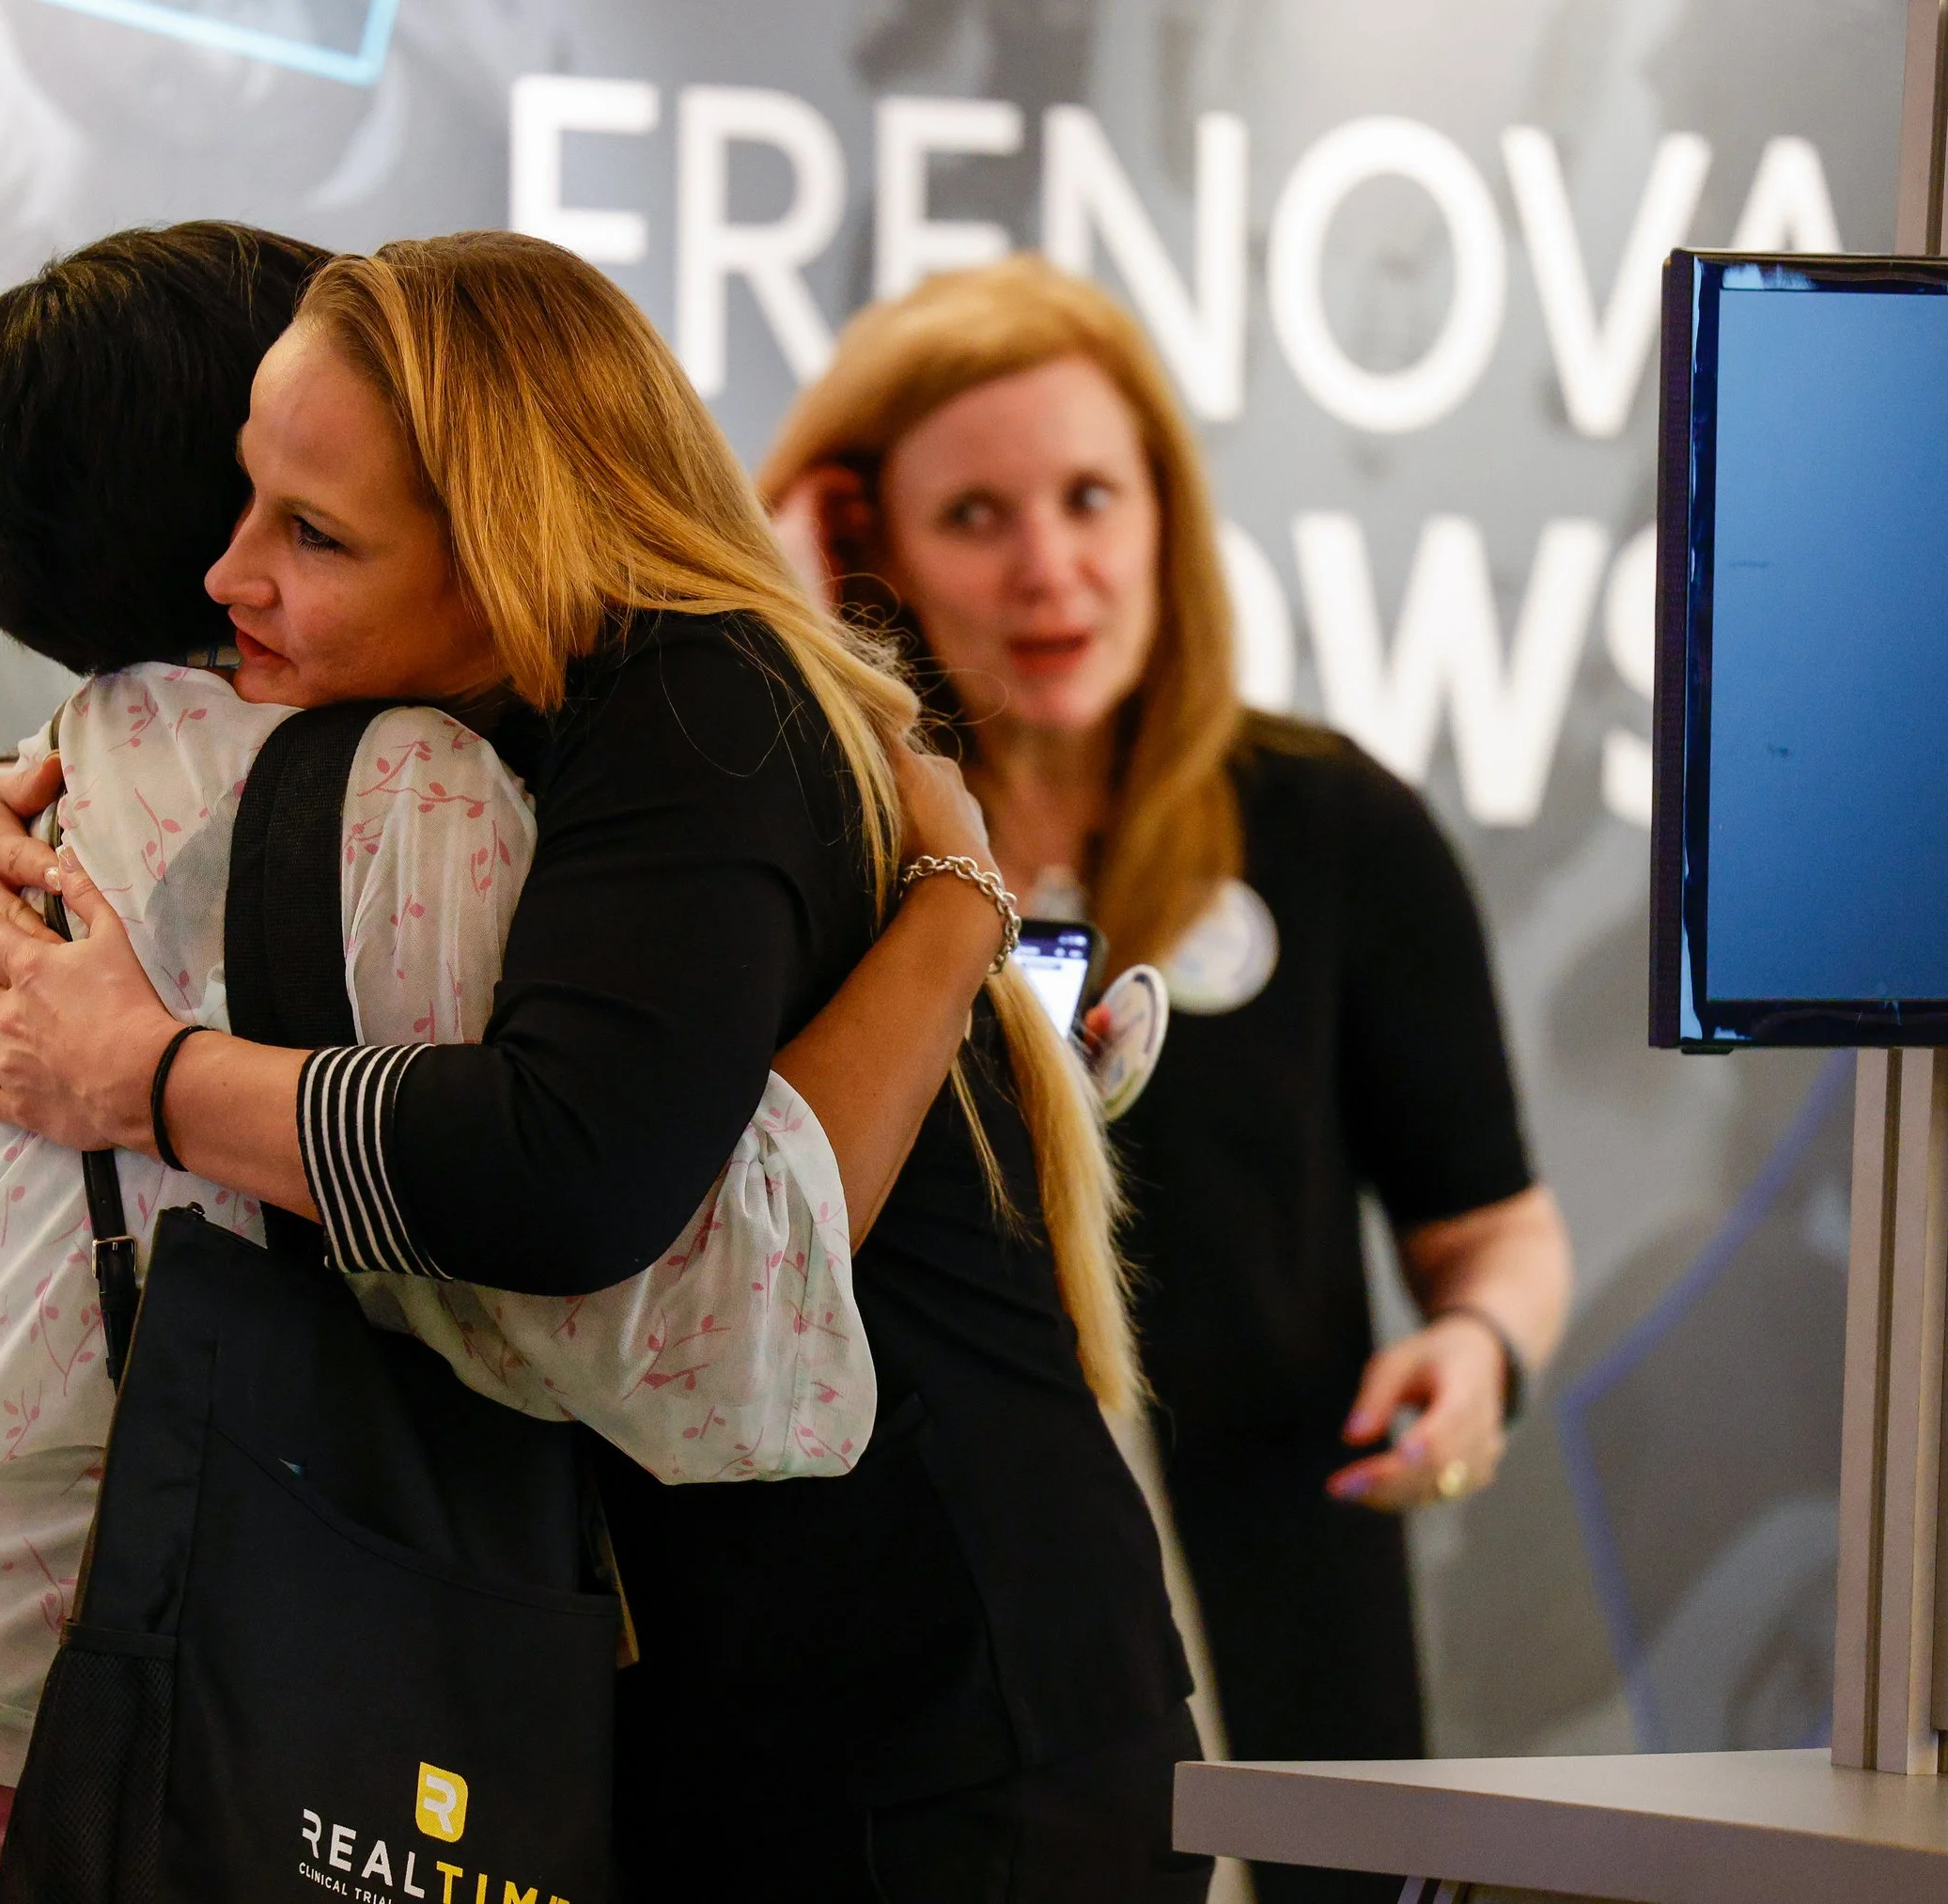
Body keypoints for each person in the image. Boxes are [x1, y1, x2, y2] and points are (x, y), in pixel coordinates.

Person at [0, 223, 979, 1903]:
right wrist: (956, 908)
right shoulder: (407, 796)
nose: (257, 554)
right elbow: (689, 1319)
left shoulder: (44, 785)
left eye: (311, 508)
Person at [0, 230, 1212, 1902]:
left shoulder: (697, 694)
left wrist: (150, 1077)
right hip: (758, 1691)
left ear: (501, 540)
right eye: (245, 503)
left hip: (939, 1714)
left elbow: (569, 1170)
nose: (230, 575)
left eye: (312, 531)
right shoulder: (543, 722)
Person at [763, 255, 1575, 1904]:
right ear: (870, 545)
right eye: (975, 515)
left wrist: (1480, 1352)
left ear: (1164, 517)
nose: (1051, 568)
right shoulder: (806, 844)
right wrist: (795, 638)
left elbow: (1495, 1230)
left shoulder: (1333, 825)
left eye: (1090, 497)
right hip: (921, 1700)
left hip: (1288, 1650)